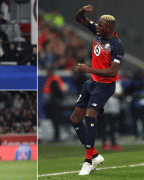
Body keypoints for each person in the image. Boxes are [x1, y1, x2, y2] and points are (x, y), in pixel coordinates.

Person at [72, 5, 124, 175]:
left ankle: (88, 161)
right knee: (75, 119)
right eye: (98, 24)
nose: (97, 27)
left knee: (90, 116)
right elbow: (79, 18)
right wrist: (83, 10)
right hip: (92, 83)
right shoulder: (99, 33)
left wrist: (88, 70)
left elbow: (113, 71)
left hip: (105, 85)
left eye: (101, 25)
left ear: (108, 28)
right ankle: (94, 154)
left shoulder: (116, 45)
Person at [42, 67, 65, 142]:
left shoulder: (53, 79)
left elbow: (57, 91)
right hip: (54, 102)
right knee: (55, 121)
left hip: (54, 103)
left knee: (56, 121)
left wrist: (56, 99)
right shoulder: (53, 79)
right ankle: (56, 137)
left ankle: (57, 137)